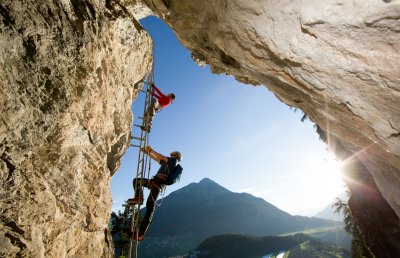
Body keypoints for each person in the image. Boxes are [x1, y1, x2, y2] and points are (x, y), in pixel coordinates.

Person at [128, 146, 183, 242]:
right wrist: (147, 152)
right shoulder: (168, 162)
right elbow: (157, 158)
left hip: (157, 184)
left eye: (175, 151)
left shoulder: (173, 160)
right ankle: (139, 197)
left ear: (176, 155)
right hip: (155, 182)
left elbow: (160, 156)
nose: (173, 151)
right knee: (136, 181)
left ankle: (140, 234)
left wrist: (151, 150)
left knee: (150, 207)